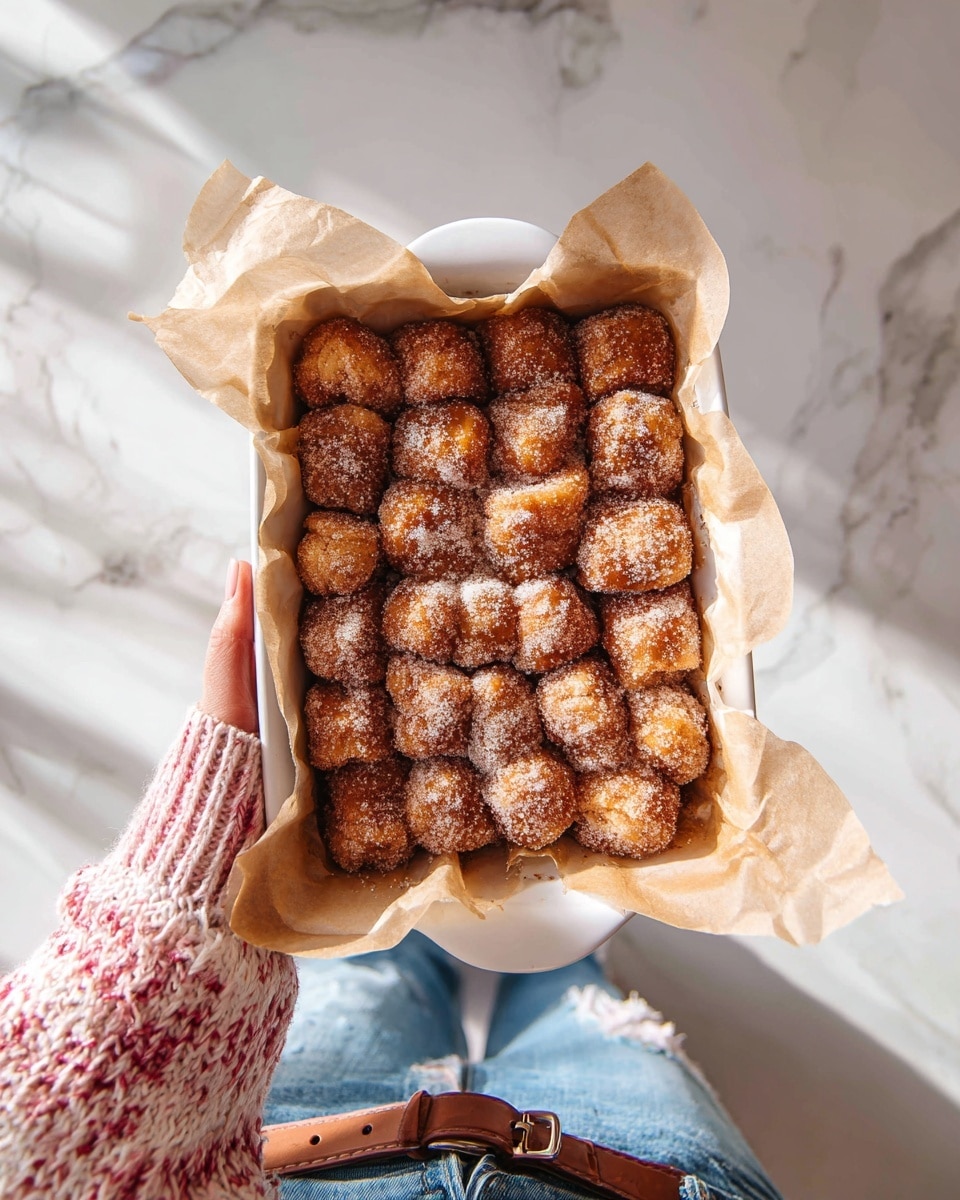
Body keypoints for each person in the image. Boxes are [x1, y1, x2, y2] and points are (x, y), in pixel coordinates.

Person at [0, 562, 784, 1200]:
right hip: (642, 1180)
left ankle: (453, 934)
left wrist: (148, 964)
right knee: (584, 1010)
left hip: (311, 1149)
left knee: (371, 964)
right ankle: (567, 951)